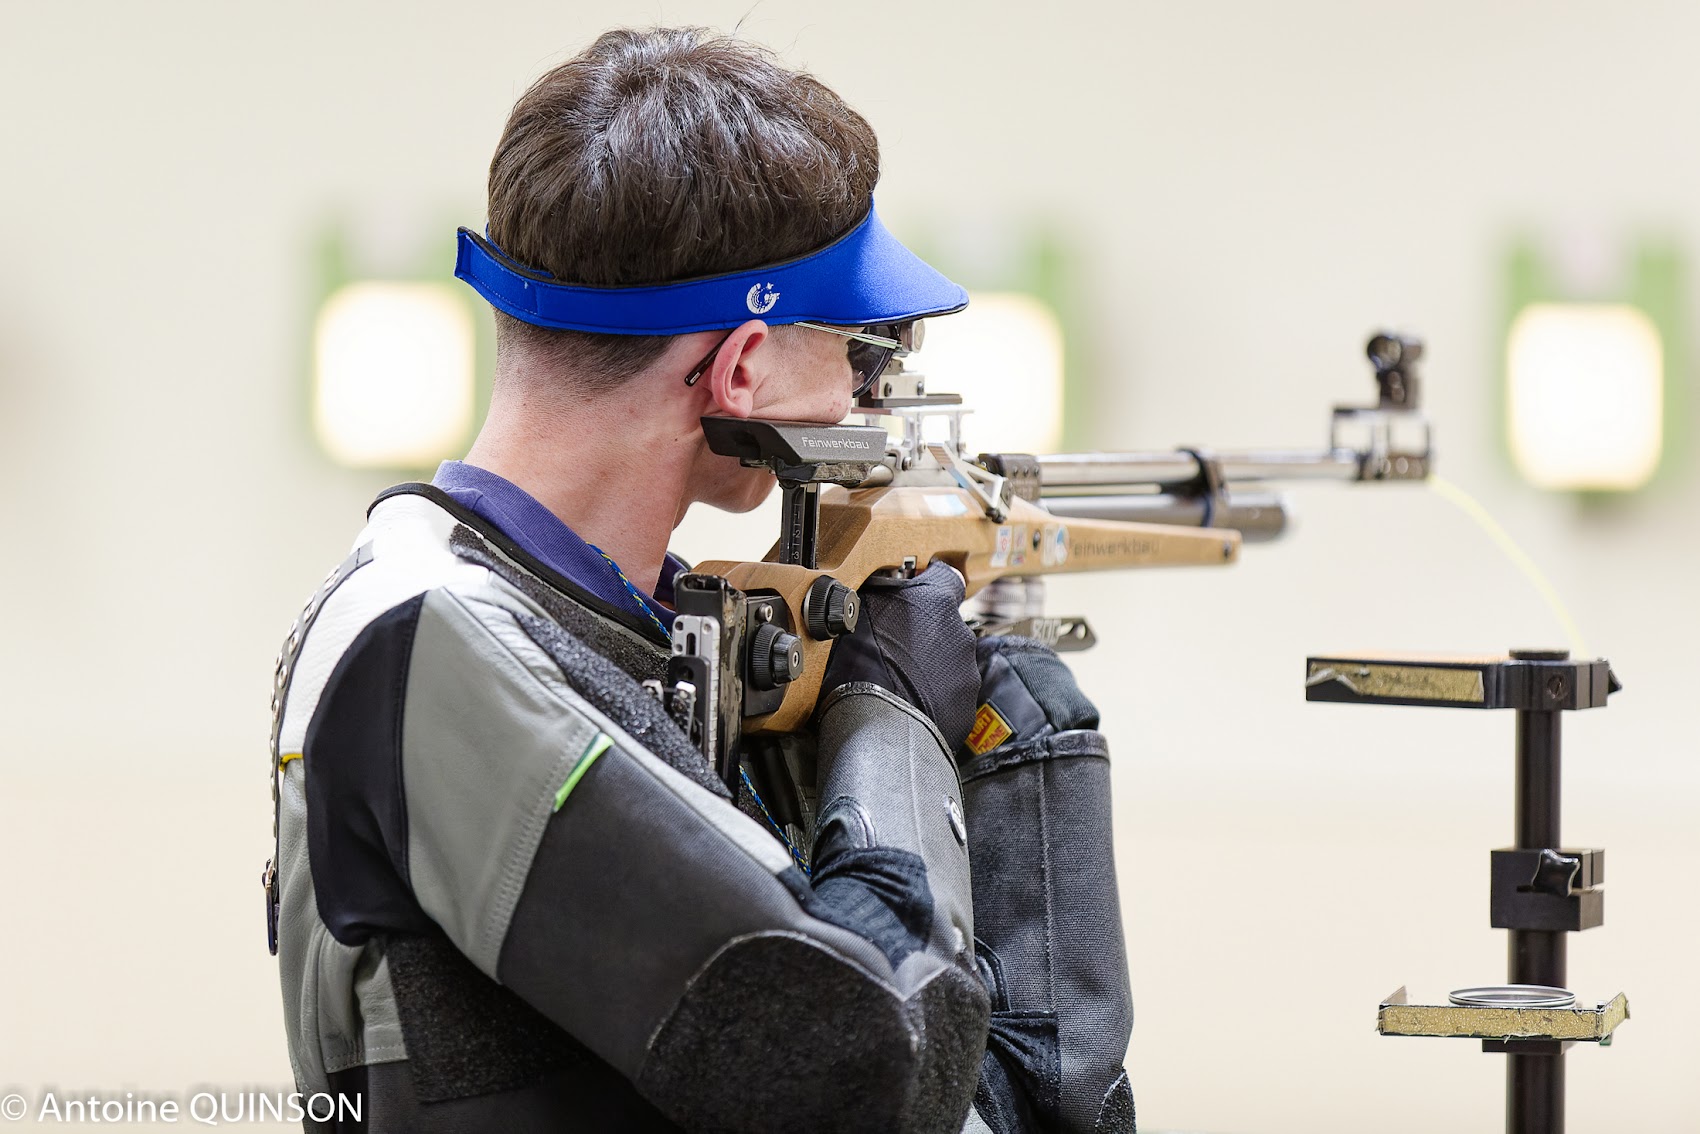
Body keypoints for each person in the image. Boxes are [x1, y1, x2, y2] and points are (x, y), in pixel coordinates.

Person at [267, 26, 1134, 1134]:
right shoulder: (426, 638)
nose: (863, 401)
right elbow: (861, 1069)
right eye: (861, 352)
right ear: (741, 367)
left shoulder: (618, 627)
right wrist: (895, 725)